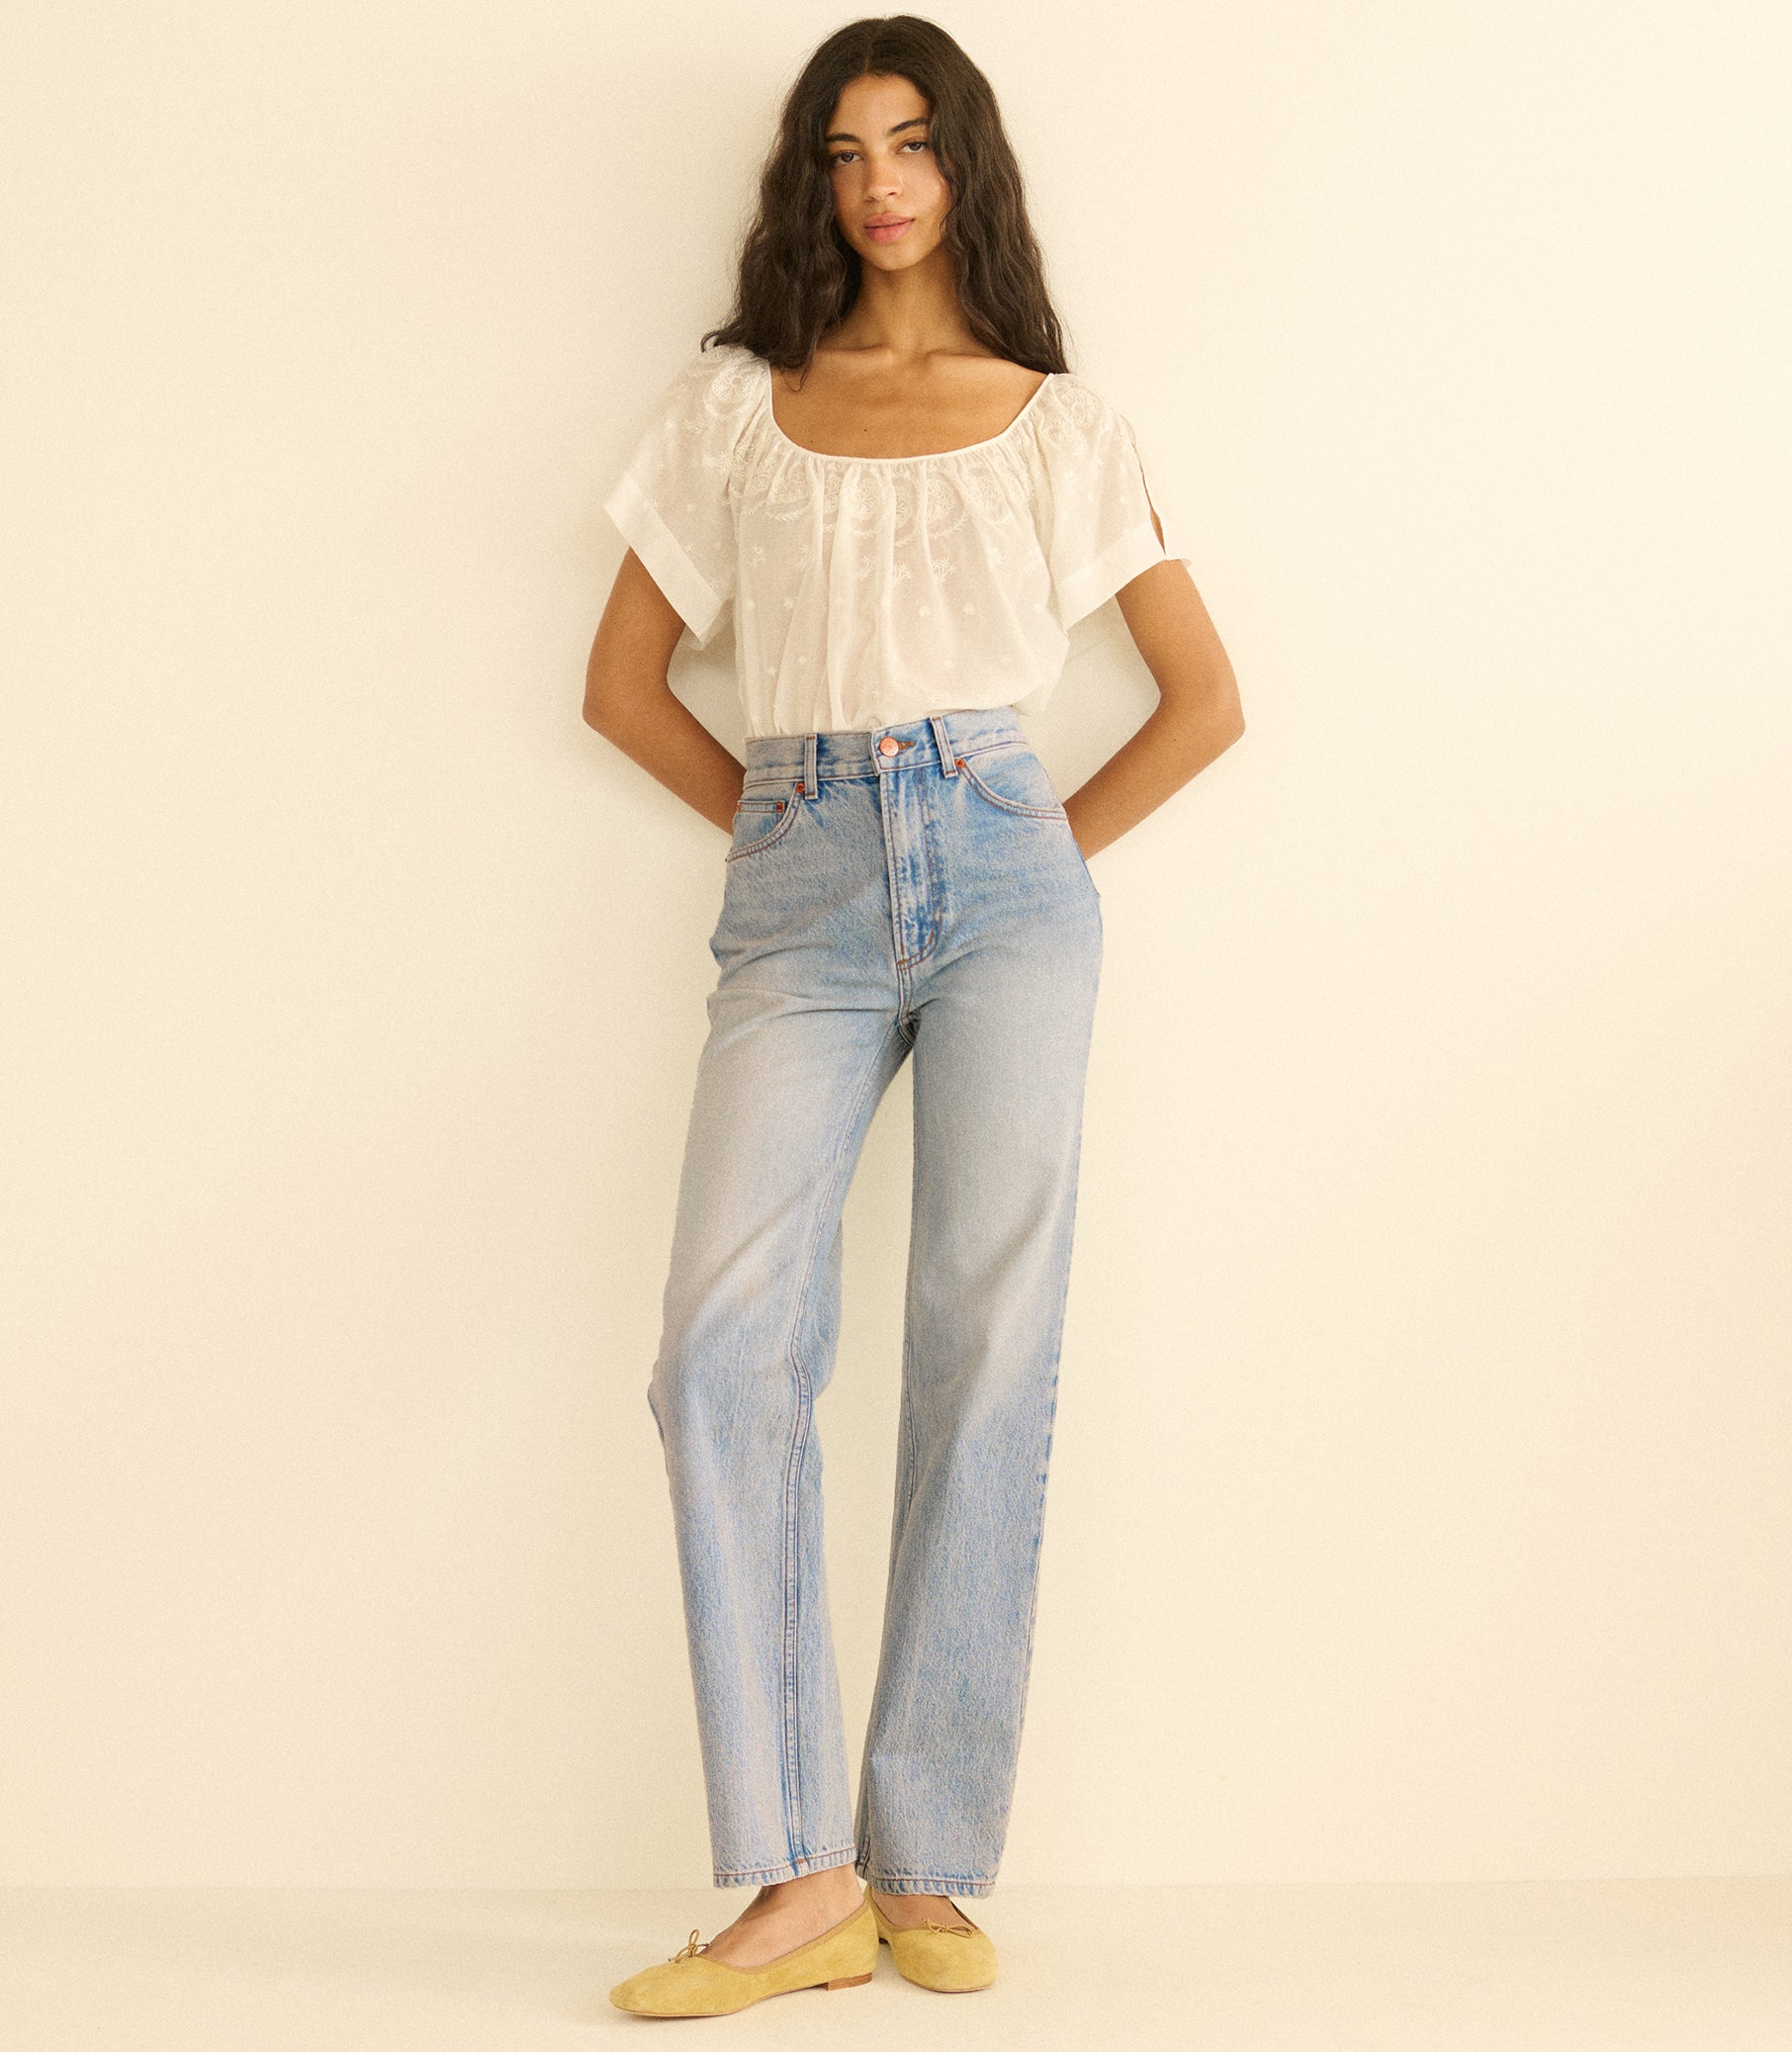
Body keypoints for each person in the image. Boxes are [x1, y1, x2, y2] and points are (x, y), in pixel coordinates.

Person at [585, 17, 1243, 2020]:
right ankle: (795, 1878)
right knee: (722, 1350)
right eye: (844, 152)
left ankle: (926, 1858)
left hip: (1007, 880)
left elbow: (1204, 701)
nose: (880, 185)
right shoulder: (733, 408)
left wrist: (1031, 856)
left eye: (915, 145)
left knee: (986, 1348)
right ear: (811, 181)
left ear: (968, 169)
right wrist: (790, 839)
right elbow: (621, 687)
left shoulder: (1059, 421)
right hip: (797, 884)